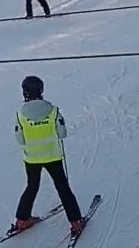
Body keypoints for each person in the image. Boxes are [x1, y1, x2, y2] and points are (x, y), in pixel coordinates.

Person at [10, 75, 85, 236]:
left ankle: (21, 220)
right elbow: (62, 133)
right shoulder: (53, 111)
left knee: (31, 187)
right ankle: (76, 222)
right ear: (41, 90)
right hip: (53, 157)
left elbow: (20, 139)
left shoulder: (20, 114)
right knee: (63, 188)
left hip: (32, 158)